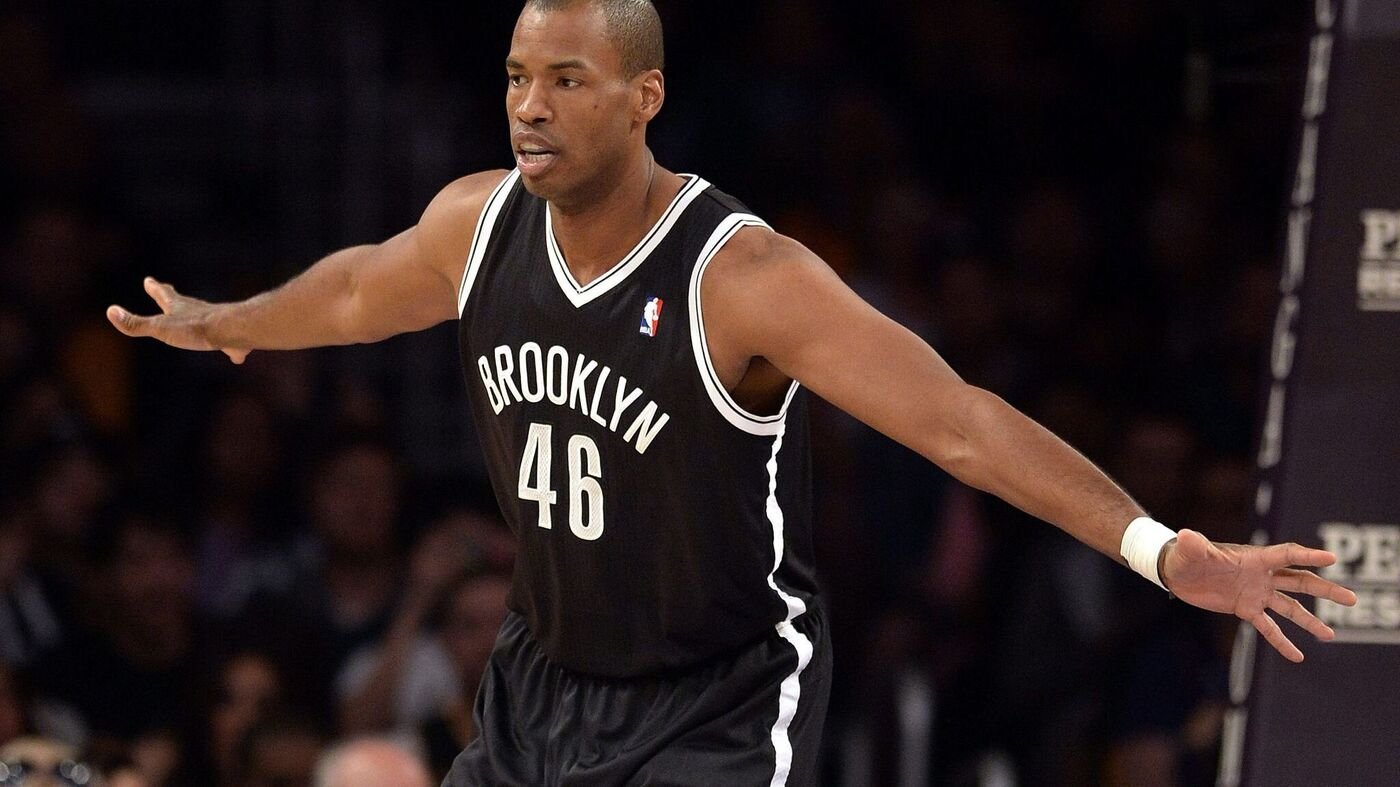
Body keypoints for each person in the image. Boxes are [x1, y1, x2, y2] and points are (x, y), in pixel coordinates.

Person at [105, 1, 1357, 784]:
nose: (530, 107)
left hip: (718, 690)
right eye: (516, 75)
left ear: (643, 98)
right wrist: (230, 323)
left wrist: (1160, 549)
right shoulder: (474, 225)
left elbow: (960, 424)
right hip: (543, 676)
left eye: (566, 80)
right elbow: (347, 295)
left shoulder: (741, 276)